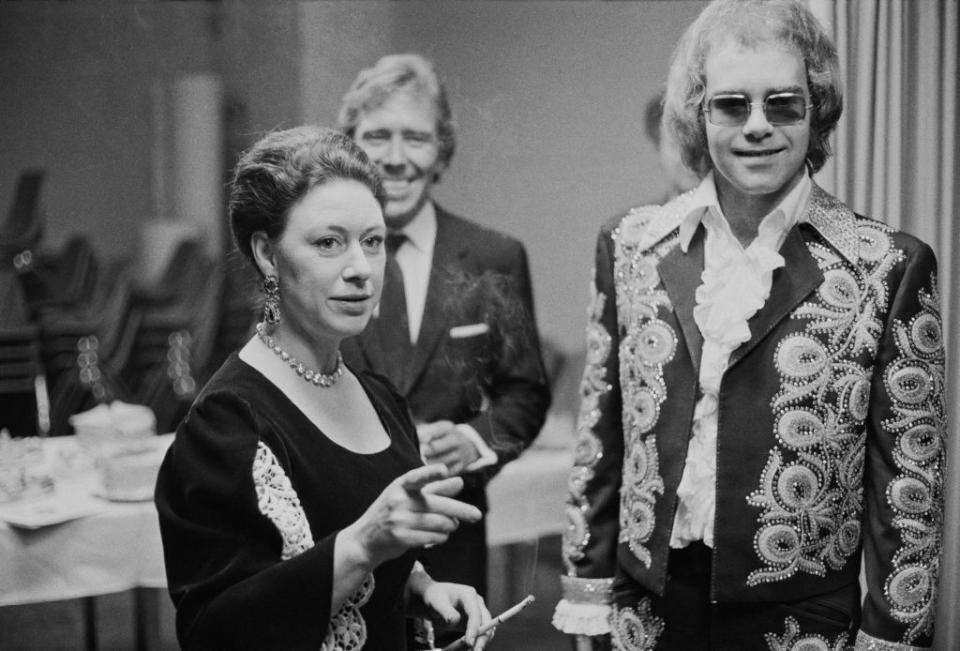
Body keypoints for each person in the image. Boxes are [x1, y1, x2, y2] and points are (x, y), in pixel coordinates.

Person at [553, 1, 947, 649]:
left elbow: (909, 489)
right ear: (698, 114)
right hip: (644, 613)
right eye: (732, 105)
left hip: (802, 625)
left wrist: (892, 636)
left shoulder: (888, 266)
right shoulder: (632, 246)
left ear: (816, 109)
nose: (757, 126)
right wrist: (587, 598)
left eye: (783, 104)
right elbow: (601, 440)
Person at [155, 125, 493, 651]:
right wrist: (365, 542)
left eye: (373, 242)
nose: (361, 269)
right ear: (268, 254)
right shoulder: (227, 424)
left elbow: (365, 574)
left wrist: (419, 587)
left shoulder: (380, 397)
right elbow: (216, 631)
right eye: (329, 243)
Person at [337, 53, 552, 641]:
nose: (396, 157)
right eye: (377, 135)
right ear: (351, 145)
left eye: (416, 137)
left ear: (443, 151)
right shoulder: (321, 259)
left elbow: (525, 395)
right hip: (340, 537)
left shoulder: (493, 258)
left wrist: (476, 441)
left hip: (451, 538)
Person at [644, 90, 700, 204]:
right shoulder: (635, 221)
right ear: (657, 147)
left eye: (698, 144)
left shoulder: (744, 221)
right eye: (676, 146)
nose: (688, 159)